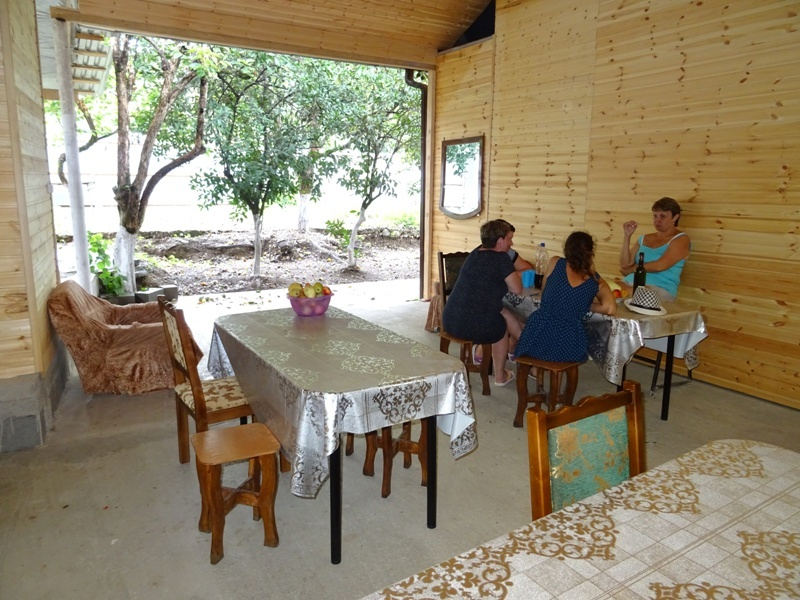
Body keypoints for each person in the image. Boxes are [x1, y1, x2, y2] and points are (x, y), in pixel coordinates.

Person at [442, 219, 523, 386]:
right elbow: (517, 289)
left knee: (503, 313)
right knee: (500, 326)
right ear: (499, 241)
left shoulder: (475, 253)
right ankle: (500, 376)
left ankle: (523, 347)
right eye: (509, 238)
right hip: (471, 324)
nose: (511, 243)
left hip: (450, 319)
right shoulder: (501, 259)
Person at [515, 231, 616, 363]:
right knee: (568, 351)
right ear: (590, 253)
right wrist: (581, 304)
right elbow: (610, 308)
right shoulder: (594, 278)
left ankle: (535, 369)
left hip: (538, 335)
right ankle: (544, 371)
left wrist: (570, 301)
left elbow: (545, 292)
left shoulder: (555, 262)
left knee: (525, 332)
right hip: (569, 344)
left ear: (566, 249)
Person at [619, 197, 690, 301]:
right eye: (655, 216)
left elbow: (659, 266)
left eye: (662, 216)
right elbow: (625, 264)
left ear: (675, 217)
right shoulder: (644, 238)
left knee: (631, 292)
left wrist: (633, 270)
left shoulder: (681, 239)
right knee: (604, 289)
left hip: (660, 288)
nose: (657, 220)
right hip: (630, 282)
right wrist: (627, 236)